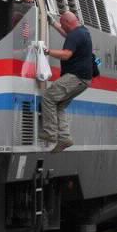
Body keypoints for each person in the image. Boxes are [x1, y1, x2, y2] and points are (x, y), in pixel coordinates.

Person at [39, 10, 94, 153]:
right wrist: (53, 23)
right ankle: (64, 138)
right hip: (84, 80)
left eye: (63, 25)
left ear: (68, 23)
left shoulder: (75, 35)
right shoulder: (82, 31)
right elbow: (67, 34)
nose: (62, 28)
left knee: (48, 97)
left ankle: (50, 133)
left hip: (75, 77)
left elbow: (66, 55)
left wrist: (47, 51)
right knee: (59, 106)